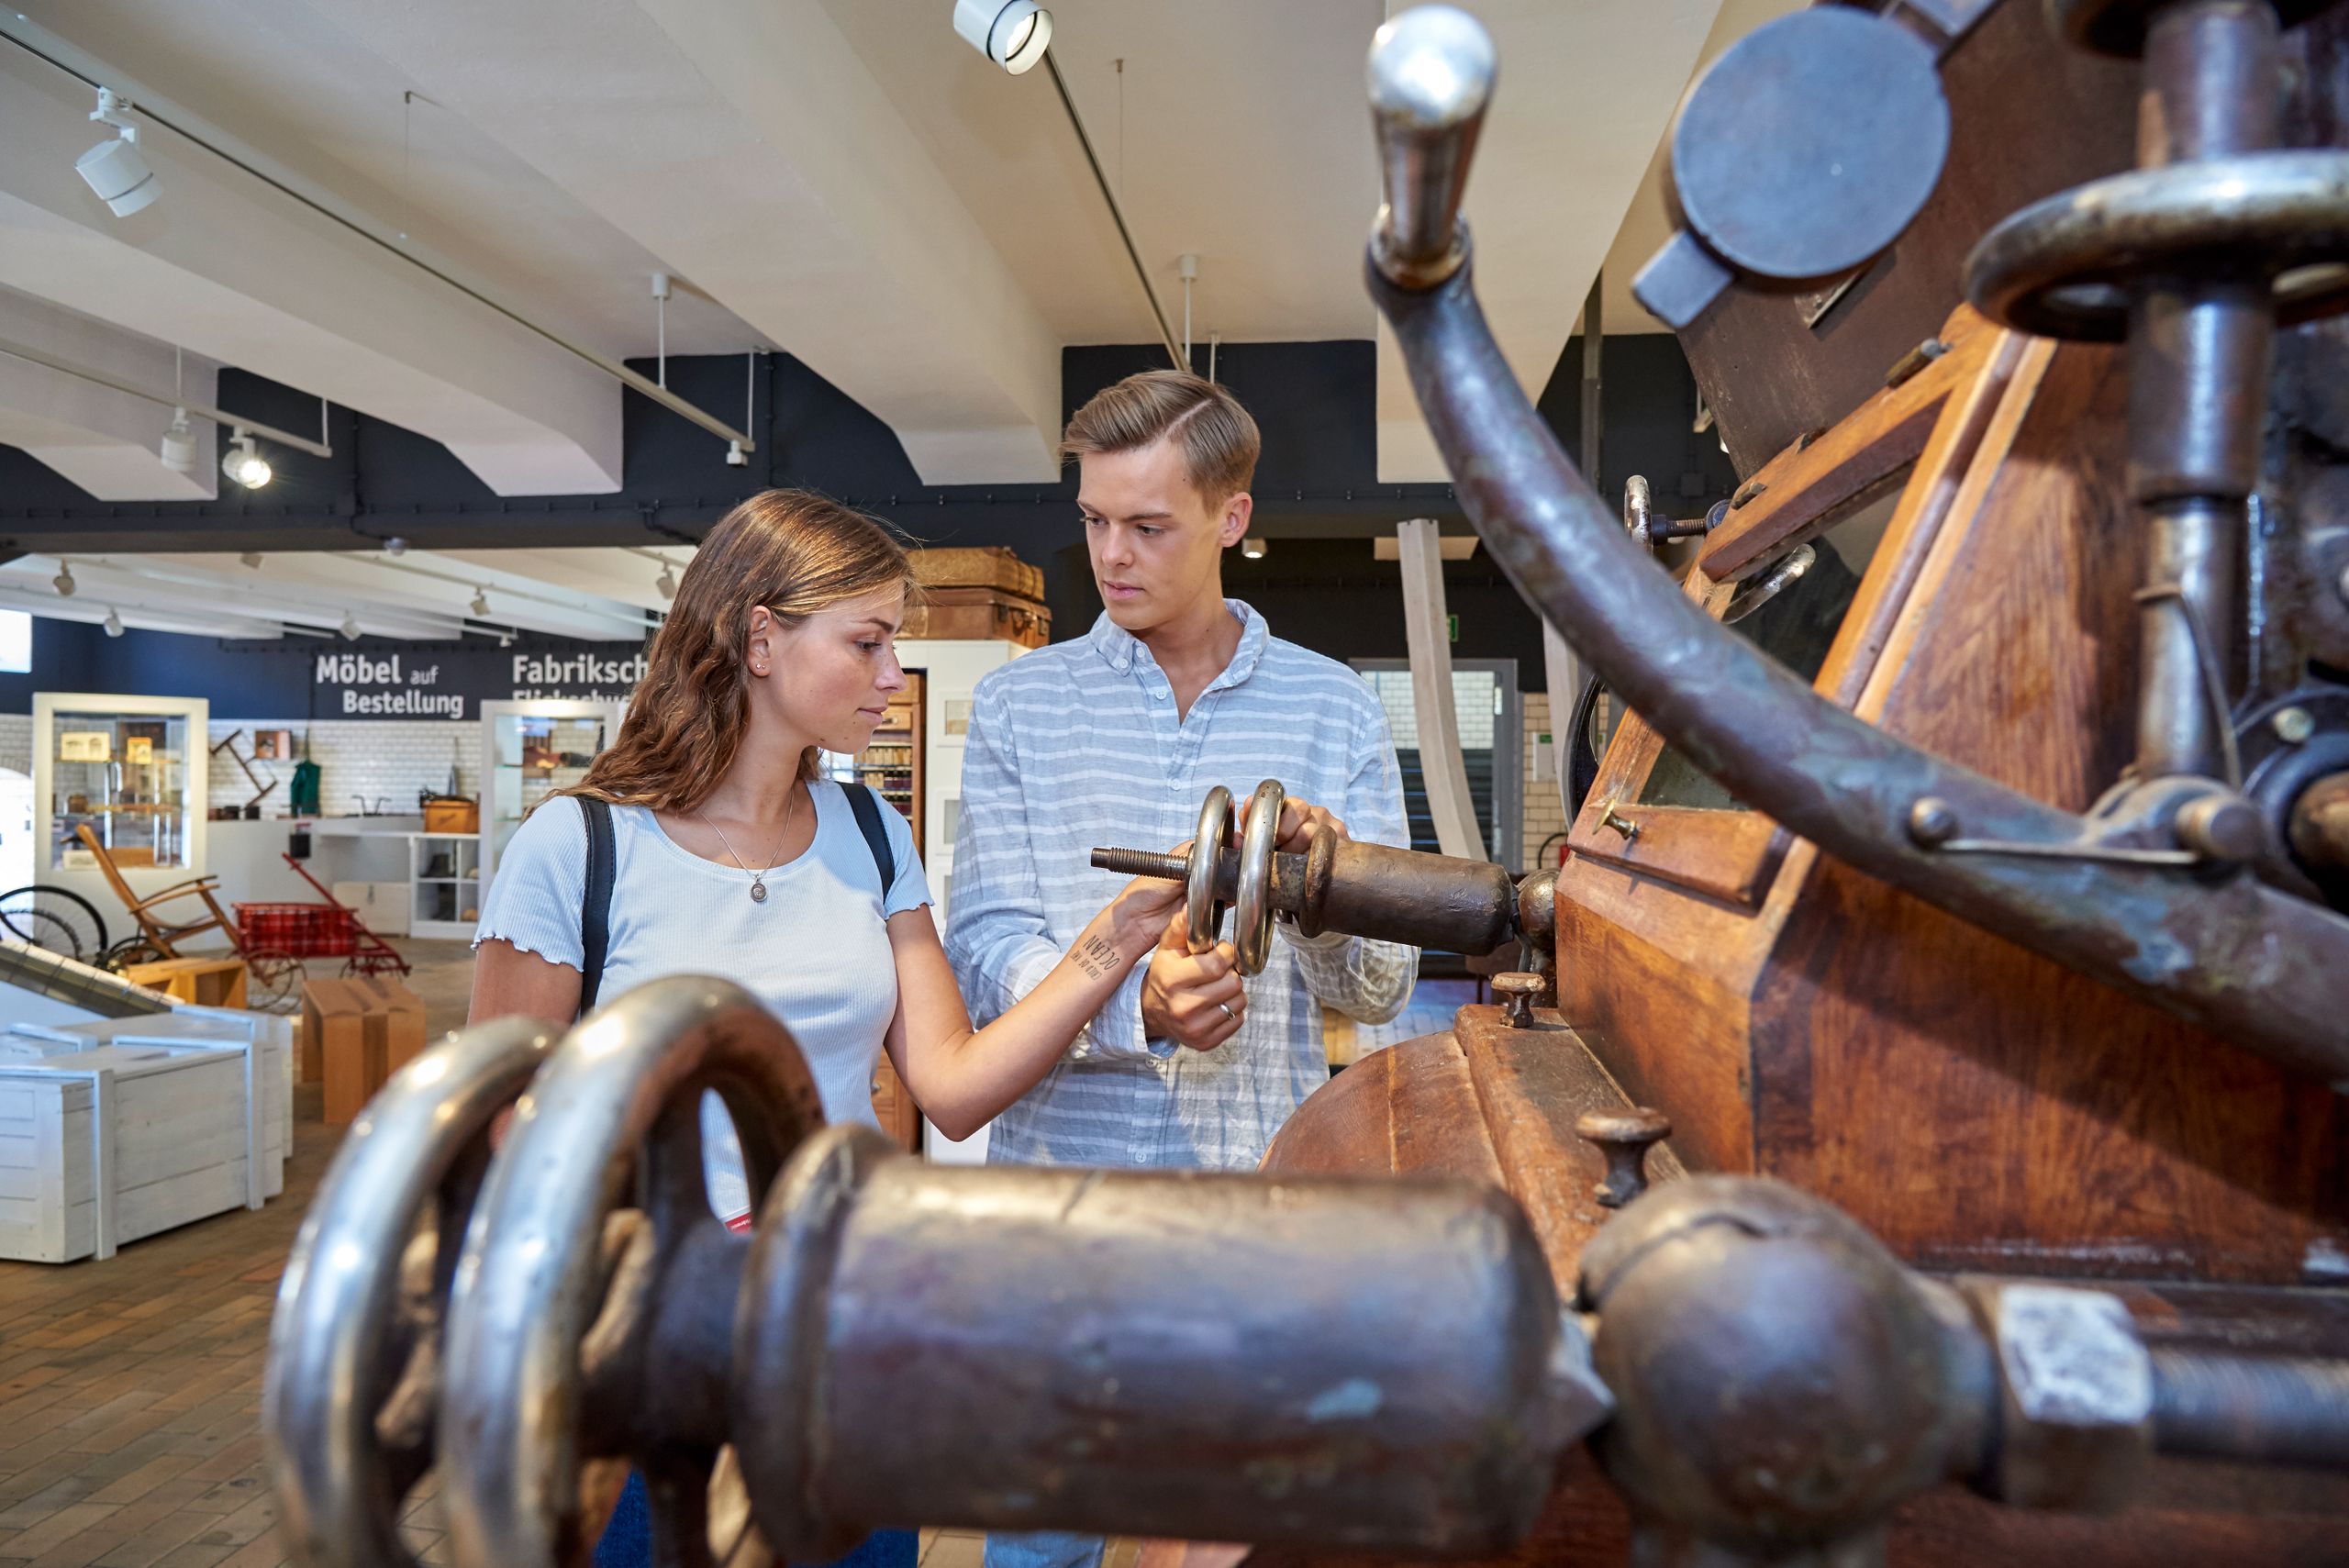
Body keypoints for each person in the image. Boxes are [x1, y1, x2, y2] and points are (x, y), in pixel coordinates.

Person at [468, 488, 1184, 1568]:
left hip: (839, 1333)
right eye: (868, 641)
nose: (893, 673)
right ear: (760, 638)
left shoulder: (869, 830)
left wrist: (1111, 941)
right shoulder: (578, 847)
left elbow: (951, 1083)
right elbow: (504, 1133)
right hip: (650, 1350)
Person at [944, 370, 1418, 1568]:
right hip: (1061, 1209)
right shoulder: (1018, 706)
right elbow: (985, 947)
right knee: (1041, 1543)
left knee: (1230, 1537)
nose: (1111, 554)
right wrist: (1135, 1009)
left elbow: (1380, 987)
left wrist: (1317, 898)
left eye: (1148, 525)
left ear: (1230, 517)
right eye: (1094, 519)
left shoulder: (1333, 708)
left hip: (1248, 1204)